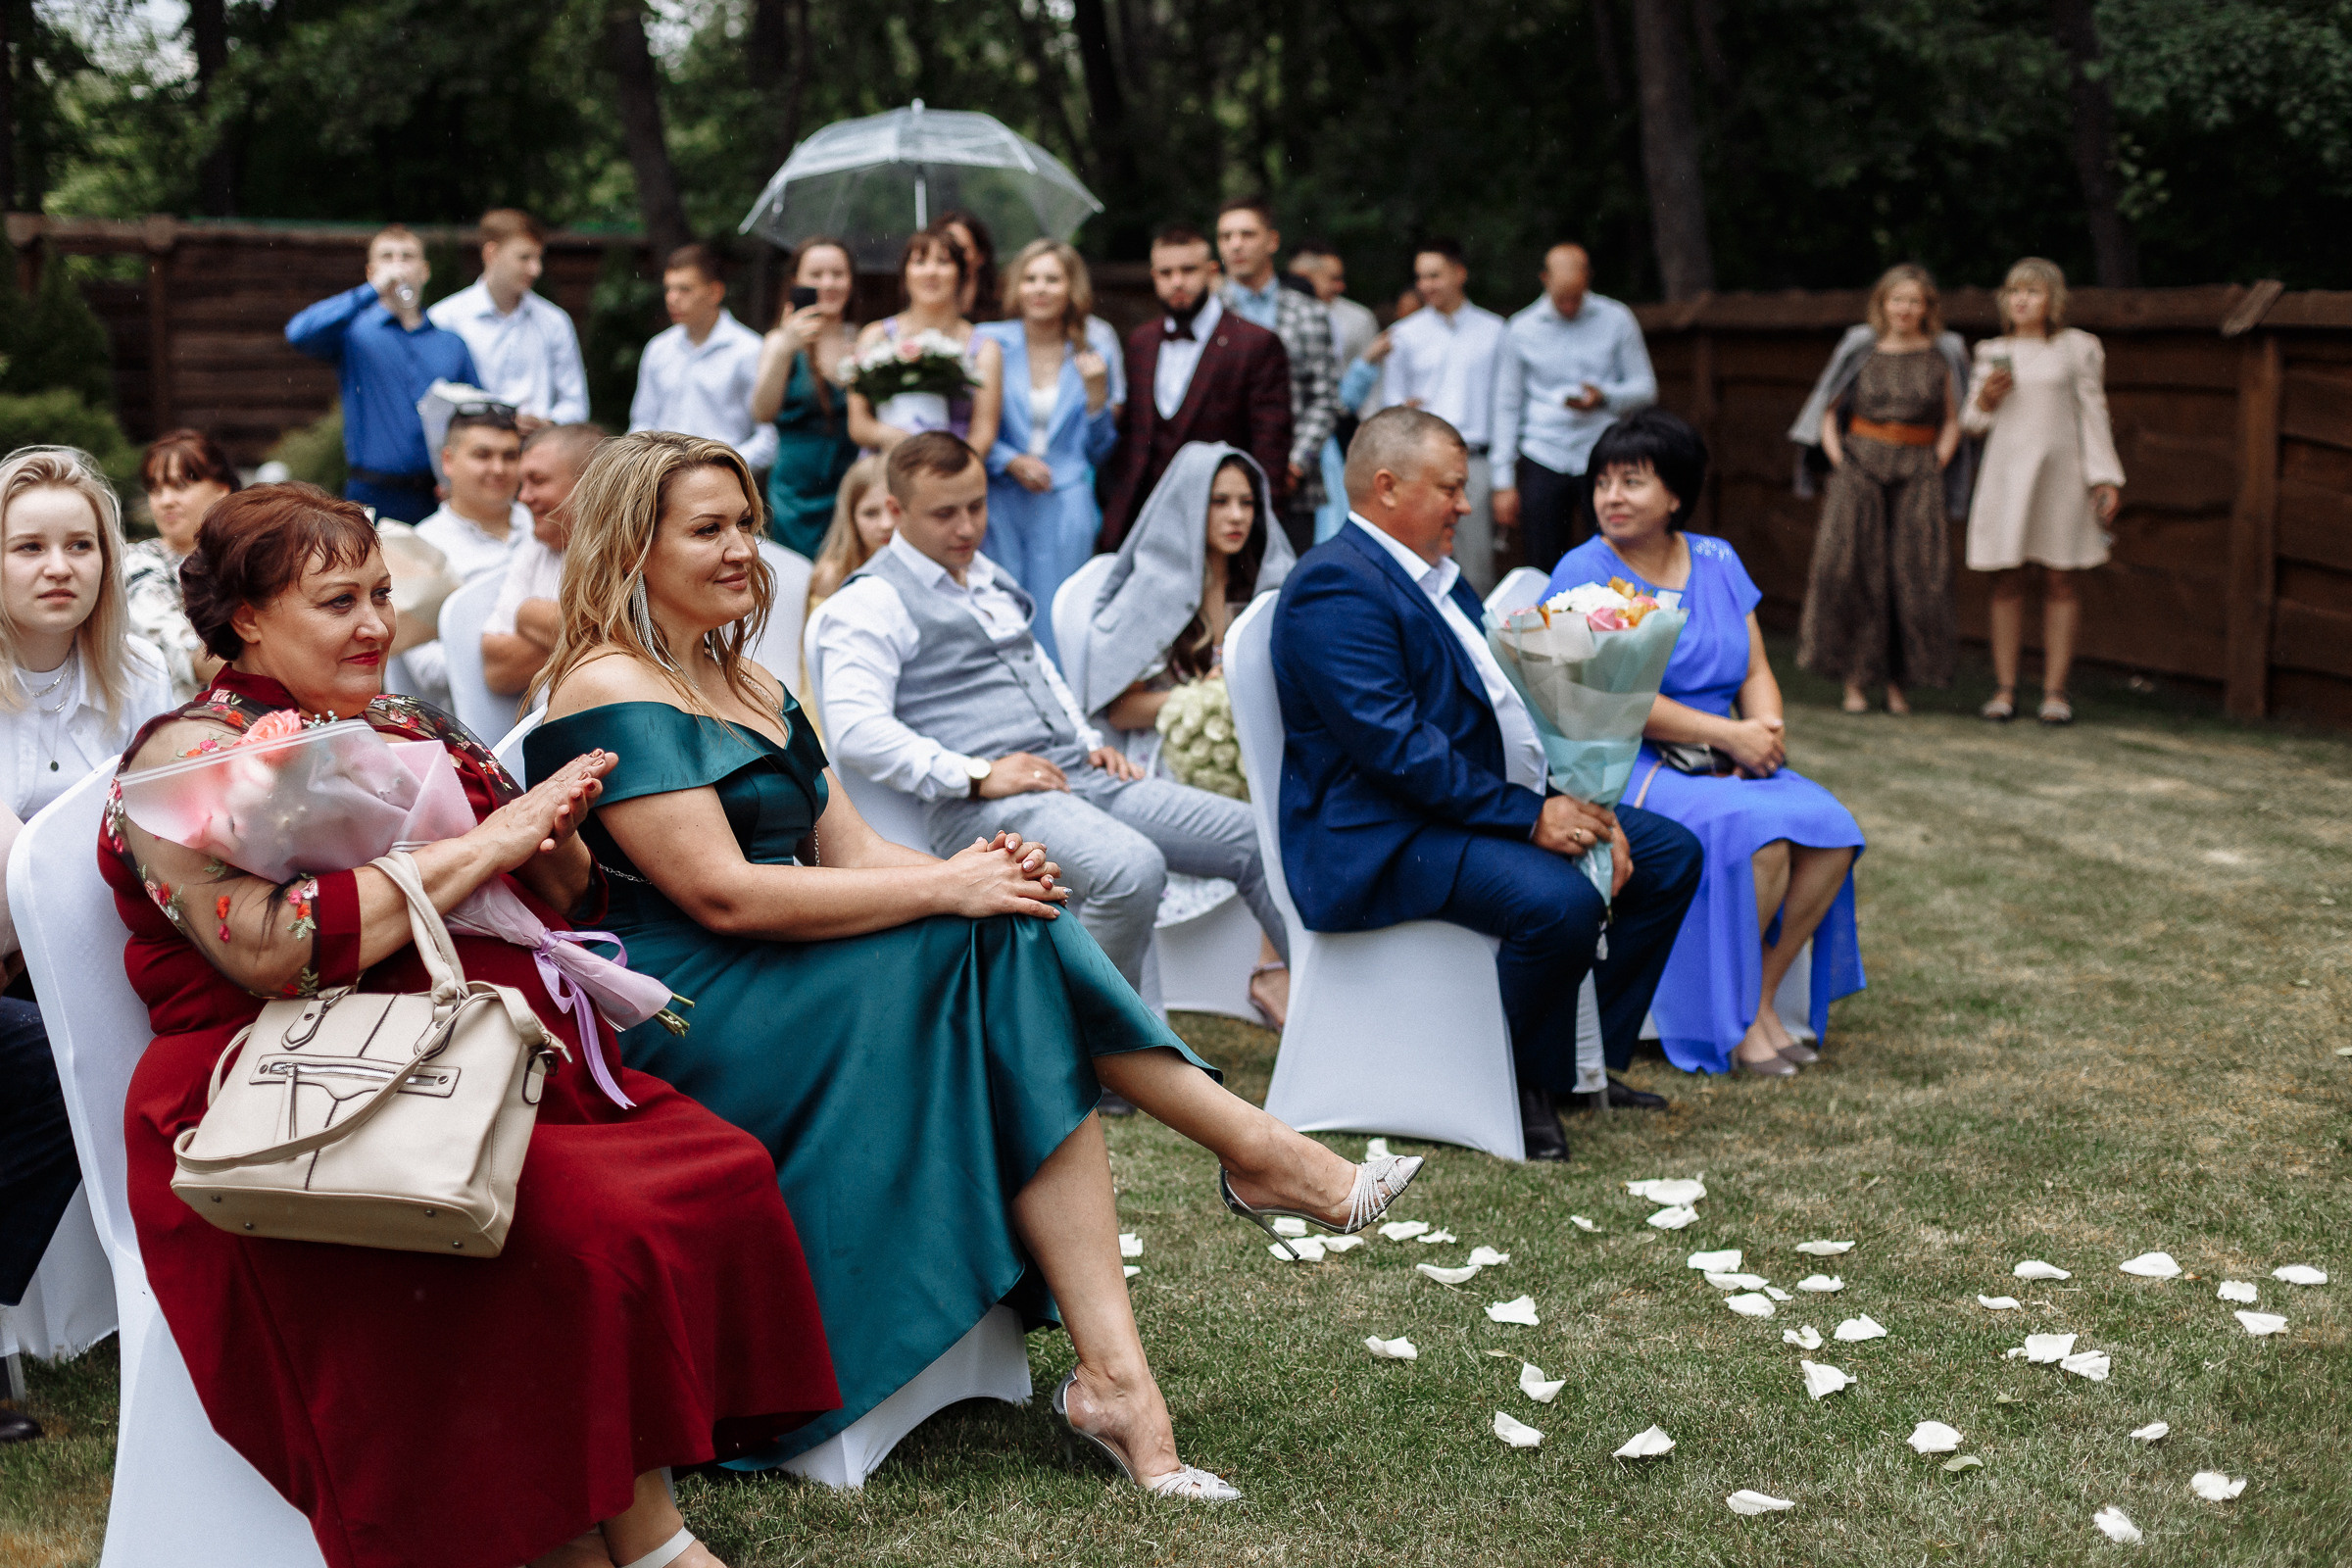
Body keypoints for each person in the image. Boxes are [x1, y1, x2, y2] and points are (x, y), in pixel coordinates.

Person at [528, 428, 1417, 1492]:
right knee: (992, 931)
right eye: (708, 530)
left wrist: (988, 876)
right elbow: (724, 893)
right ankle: (1251, 1159)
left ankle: (1124, 1376)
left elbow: (855, 855)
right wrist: (951, 886)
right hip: (687, 1001)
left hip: (798, 961)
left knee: (1011, 929)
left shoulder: (756, 683)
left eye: (750, 527)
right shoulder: (603, 682)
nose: (741, 552)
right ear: (634, 548)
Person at [104, 479, 839, 1568]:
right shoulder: (191, 756)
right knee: (581, 1225)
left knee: (713, 1165)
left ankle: (622, 1517)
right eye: (337, 601)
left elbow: (570, 894)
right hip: (297, 1091)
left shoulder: (407, 720)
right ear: (248, 616)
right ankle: (599, 1534)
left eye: (381, 595)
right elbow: (273, 947)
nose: (373, 624)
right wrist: (484, 850)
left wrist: (552, 842)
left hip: (474, 1054)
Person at [1271, 408, 1703, 1158]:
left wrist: (1584, 802)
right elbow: (1396, 750)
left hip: (1450, 811)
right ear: (1386, 487)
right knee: (1559, 901)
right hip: (1377, 834)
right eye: (1451, 489)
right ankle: (1511, 1080)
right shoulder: (1335, 587)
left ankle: (1569, 1065)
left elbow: (1507, 709)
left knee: (1668, 856)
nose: (1466, 506)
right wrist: (1531, 820)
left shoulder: (1435, 577)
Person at [816, 431, 1287, 1003]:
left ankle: (1324, 1003)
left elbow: (1039, 666)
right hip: (986, 806)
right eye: (945, 514)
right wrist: (976, 774)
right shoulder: (869, 603)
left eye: (977, 506)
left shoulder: (985, 575)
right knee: (1130, 869)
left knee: (1254, 836)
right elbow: (856, 730)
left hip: (1076, 773)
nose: (967, 527)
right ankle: (1102, 1064)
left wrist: (1089, 739)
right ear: (895, 511)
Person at [1548, 411, 1865, 1077]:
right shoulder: (1586, 570)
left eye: (1631, 481)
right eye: (1602, 482)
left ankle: (1762, 996)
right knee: (1763, 837)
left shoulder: (1717, 558)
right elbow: (1610, 695)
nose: (1611, 496)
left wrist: (1767, 736)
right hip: (1627, 762)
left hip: (1732, 754)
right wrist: (1734, 736)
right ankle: (1740, 1018)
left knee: (1833, 829)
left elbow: (1753, 668)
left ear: (1675, 495)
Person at [0, 448, 173, 1446]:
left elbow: (170, 823)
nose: (59, 565)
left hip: (107, 943)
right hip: (23, 953)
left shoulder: (139, 673)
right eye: (29, 546)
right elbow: (20, 878)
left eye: (81, 544)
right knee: (43, 1066)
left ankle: (175, 1308)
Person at [1078, 442, 1298, 1024]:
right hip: (1164, 751)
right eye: (1218, 501)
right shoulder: (1152, 589)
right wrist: (1204, 698)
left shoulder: (1265, 584)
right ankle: (1269, 974)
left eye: (1247, 503)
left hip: (1252, 749)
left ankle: (1278, 965)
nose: (1235, 516)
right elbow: (1119, 709)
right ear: (1186, 507)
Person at [1789, 264, 1971, 714]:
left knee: (1912, 575)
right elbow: (1827, 412)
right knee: (1852, 570)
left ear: (1927, 307)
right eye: (1897, 300)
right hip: (1859, 466)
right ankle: (1854, 681)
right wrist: (1840, 461)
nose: (1905, 309)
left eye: (1914, 301)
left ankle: (1898, 684)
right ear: (1883, 303)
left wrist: (1936, 462)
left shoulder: (1944, 352)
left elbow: (1953, 417)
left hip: (1917, 468)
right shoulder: (1860, 346)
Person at [1962, 258, 2125, 727]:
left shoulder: (2077, 348)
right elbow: (1972, 424)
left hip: (2062, 478)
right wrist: (1987, 398)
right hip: (2007, 476)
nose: (2021, 300)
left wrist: (2105, 477)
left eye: (2032, 292)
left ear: (2053, 300)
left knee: (2060, 577)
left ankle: (2055, 692)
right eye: (2014, 291)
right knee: (2007, 577)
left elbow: (2093, 412)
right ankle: (2005, 689)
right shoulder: (1992, 350)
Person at [1101, 225, 1293, 551]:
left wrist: (1259, 530)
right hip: (1143, 520)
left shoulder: (1256, 343)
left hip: (1220, 523)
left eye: (1188, 270)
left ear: (1212, 272)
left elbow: (1269, 449)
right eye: (1166, 273)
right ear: (1154, 277)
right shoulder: (1141, 342)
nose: (1177, 282)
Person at [974, 239, 1118, 661]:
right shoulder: (989, 342)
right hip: (1000, 496)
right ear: (1016, 287)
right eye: (1031, 278)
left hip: (1066, 499)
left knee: (1061, 613)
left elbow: (1101, 450)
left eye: (1052, 279)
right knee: (1000, 607)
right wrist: (1008, 459)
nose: (1040, 288)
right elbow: (972, 422)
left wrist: (1097, 400)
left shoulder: (1094, 352)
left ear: (1071, 289)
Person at [285, 223, 480, 522]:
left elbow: (475, 416)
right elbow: (299, 332)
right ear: (371, 271)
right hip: (371, 491)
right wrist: (372, 290)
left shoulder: (451, 344)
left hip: (437, 496)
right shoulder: (354, 335)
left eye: (407, 256)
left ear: (425, 270)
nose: (398, 265)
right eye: (387, 257)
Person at [1492, 243, 1658, 573]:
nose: (1569, 306)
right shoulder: (1520, 328)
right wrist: (1503, 480)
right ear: (1544, 279)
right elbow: (1507, 404)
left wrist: (1605, 397)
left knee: (1614, 553)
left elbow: (1646, 389)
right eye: (1562, 298)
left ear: (1588, 279)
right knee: (1542, 559)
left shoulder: (1617, 318)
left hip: (1602, 452)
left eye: (1575, 298)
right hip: (1543, 452)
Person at [1377, 239, 1508, 592]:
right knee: (1422, 562)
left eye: (1435, 276)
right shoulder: (1405, 335)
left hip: (1476, 460)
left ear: (1459, 274)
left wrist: (1504, 479)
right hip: (1419, 465)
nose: (1426, 286)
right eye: (1421, 277)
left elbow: (1504, 407)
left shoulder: (1494, 331)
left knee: (1478, 569)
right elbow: (1390, 405)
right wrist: (1405, 411)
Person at [1216, 198, 1337, 555]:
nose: (1236, 244)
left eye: (1246, 234)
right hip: (1223, 484)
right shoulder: (1210, 312)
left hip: (1294, 485)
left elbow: (1325, 397)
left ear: (1272, 241)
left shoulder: (1308, 312)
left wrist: (1295, 463)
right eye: (1226, 236)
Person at [426, 208, 590, 430]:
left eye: (538, 258)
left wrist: (546, 424)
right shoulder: (445, 318)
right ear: (491, 254)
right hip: (473, 451)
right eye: (524, 257)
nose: (536, 269)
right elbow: (436, 400)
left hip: (538, 450)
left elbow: (576, 404)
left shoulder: (555, 321)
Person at [846, 227, 1003, 458]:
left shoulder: (984, 349)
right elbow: (859, 424)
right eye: (919, 262)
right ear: (905, 273)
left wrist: (947, 471)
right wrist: (905, 442)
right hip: (885, 461)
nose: (931, 272)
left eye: (943, 262)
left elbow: (983, 433)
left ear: (961, 274)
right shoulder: (875, 336)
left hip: (953, 466)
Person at [750, 236, 861, 558]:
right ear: (796, 281)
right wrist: (787, 347)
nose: (828, 283)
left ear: (851, 281)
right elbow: (762, 411)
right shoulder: (778, 342)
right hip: (795, 494)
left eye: (838, 274)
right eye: (816, 274)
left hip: (850, 487)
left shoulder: (866, 339)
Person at [483, 421, 607, 701]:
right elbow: (497, 669)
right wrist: (578, 631)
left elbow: (620, 636)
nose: (523, 497)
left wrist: (527, 614)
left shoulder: (633, 550)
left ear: (590, 484)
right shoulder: (535, 546)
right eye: (522, 483)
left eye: (537, 481)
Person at [629, 244, 778, 469]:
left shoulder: (750, 350)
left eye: (685, 289)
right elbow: (642, 422)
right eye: (669, 289)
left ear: (715, 292)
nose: (672, 298)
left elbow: (769, 437)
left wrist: (723, 467)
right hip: (663, 479)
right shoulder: (658, 348)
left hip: (724, 481)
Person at [129, 428, 240, 703]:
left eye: (181, 486)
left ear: (220, 490)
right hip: (184, 719)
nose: (165, 501)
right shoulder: (139, 564)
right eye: (155, 489)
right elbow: (182, 652)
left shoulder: (250, 555)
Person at [416, 403, 526, 582]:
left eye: (510, 456)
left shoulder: (546, 527)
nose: (498, 469)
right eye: (482, 455)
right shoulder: (425, 547)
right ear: (448, 460)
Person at [806, 454, 892, 609]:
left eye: (895, 510)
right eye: (870, 513)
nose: (886, 524)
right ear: (851, 518)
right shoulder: (833, 576)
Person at [937, 209, 1000, 322]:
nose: (954, 257)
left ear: (981, 256)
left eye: (961, 250)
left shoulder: (1000, 308)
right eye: (947, 250)